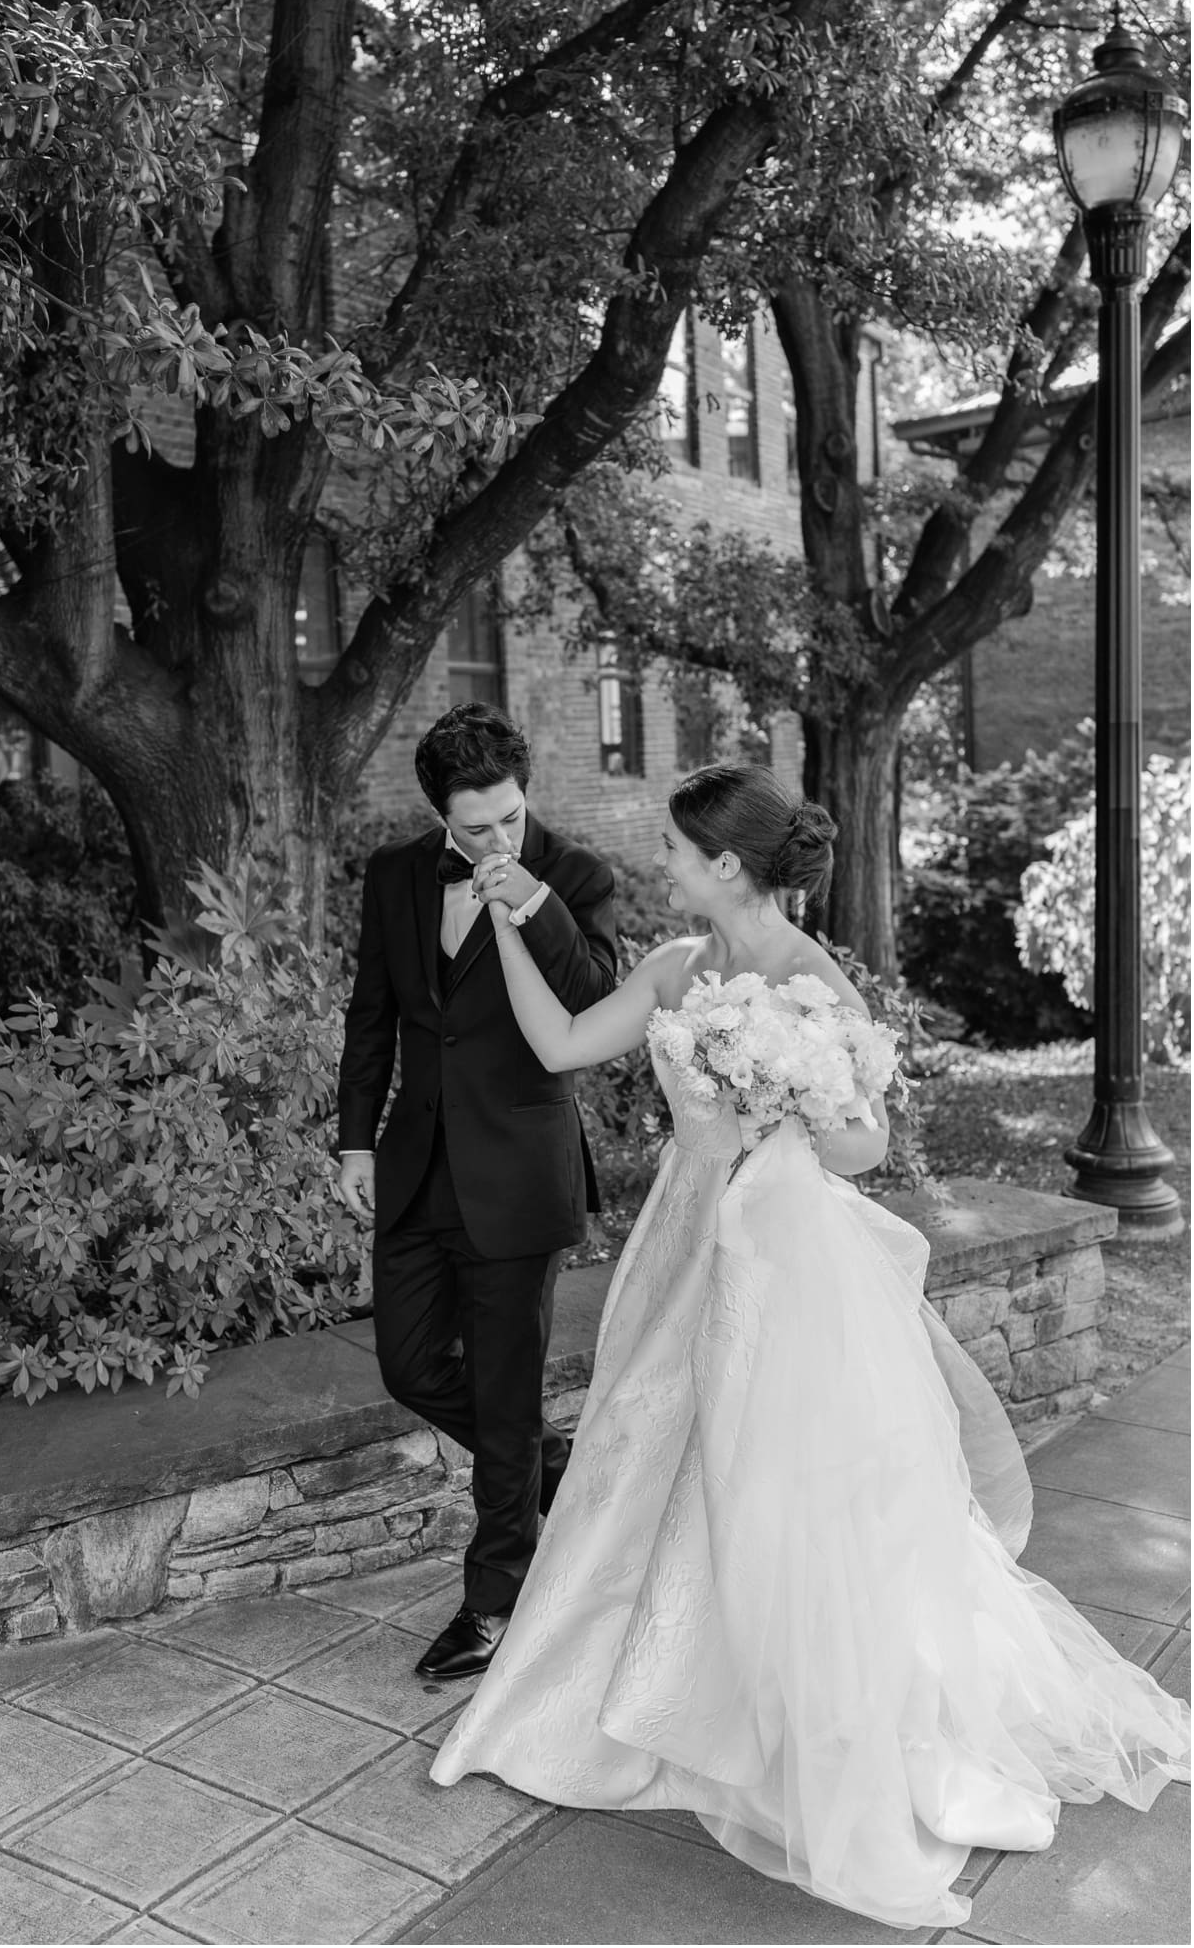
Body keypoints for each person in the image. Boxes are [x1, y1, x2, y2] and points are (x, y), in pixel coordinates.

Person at [430, 762, 1190, 1931]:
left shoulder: (812, 980)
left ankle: (803, 1721)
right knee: (649, 1458)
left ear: (725, 862)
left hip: (785, 1260)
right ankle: (621, 1694)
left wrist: (781, 1088)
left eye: (678, 850)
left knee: (774, 1487)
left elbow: (858, 1150)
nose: (665, 864)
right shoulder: (680, 969)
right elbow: (563, 1045)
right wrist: (503, 923)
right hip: (685, 1244)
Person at [336, 703, 617, 1681]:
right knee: (409, 1367)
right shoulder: (397, 877)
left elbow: (592, 1001)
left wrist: (530, 900)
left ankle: (494, 1605)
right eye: (474, 829)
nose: (494, 841)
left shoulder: (575, 874)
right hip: (416, 1170)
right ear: (440, 821)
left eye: (505, 819)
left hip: (518, 1175)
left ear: (521, 794)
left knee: (499, 1398)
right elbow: (371, 1016)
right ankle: (555, 1464)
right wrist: (354, 1147)